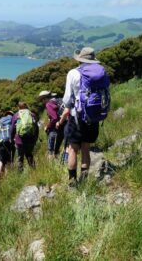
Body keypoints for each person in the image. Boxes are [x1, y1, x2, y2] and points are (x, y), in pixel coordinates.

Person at [57, 47, 110, 187]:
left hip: (77, 116)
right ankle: (84, 180)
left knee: (73, 148)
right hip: (94, 116)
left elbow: (67, 99)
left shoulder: (73, 73)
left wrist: (66, 108)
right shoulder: (101, 72)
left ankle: (72, 180)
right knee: (86, 148)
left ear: (80, 59)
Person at [11, 102, 39, 172]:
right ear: (26, 106)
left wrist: (11, 138)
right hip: (30, 139)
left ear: (18, 107)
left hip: (19, 140)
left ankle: (20, 174)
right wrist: (35, 138)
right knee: (29, 155)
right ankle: (34, 172)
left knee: (20, 157)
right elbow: (36, 127)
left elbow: (12, 129)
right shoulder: (32, 114)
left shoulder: (16, 115)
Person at [38, 90, 65, 159]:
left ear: (44, 98)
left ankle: (52, 164)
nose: (42, 102)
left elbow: (54, 118)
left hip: (55, 129)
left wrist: (47, 126)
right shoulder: (56, 100)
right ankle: (61, 162)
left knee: (50, 151)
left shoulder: (48, 104)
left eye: (42, 100)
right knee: (57, 149)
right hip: (63, 126)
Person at [0, 111, 14, 178]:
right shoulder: (13, 119)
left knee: (1, 159)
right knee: (9, 159)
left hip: (1, 141)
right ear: (12, 114)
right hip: (9, 142)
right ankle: (7, 176)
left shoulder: (0, 120)